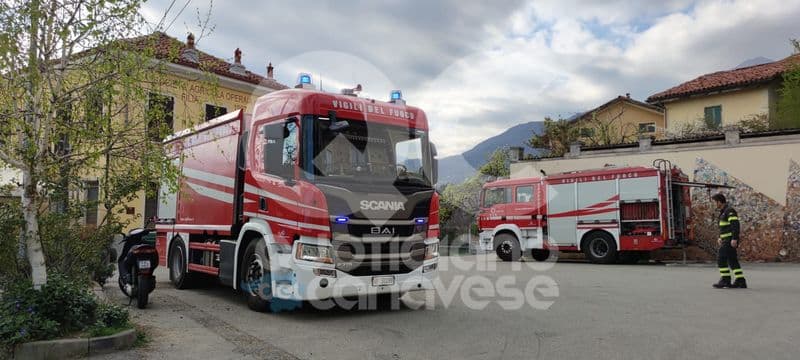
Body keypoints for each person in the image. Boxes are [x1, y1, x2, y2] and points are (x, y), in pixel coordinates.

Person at [711, 193, 747, 289]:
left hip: (729, 240)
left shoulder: (729, 211)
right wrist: (720, 237)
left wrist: (734, 238)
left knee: (721, 259)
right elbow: (724, 227)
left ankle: (725, 280)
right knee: (732, 260)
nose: (714, 204)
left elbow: (735, 225)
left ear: (719, 201)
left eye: (715, 202)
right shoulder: (723, 212)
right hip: (726, 240)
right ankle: (740, 280)